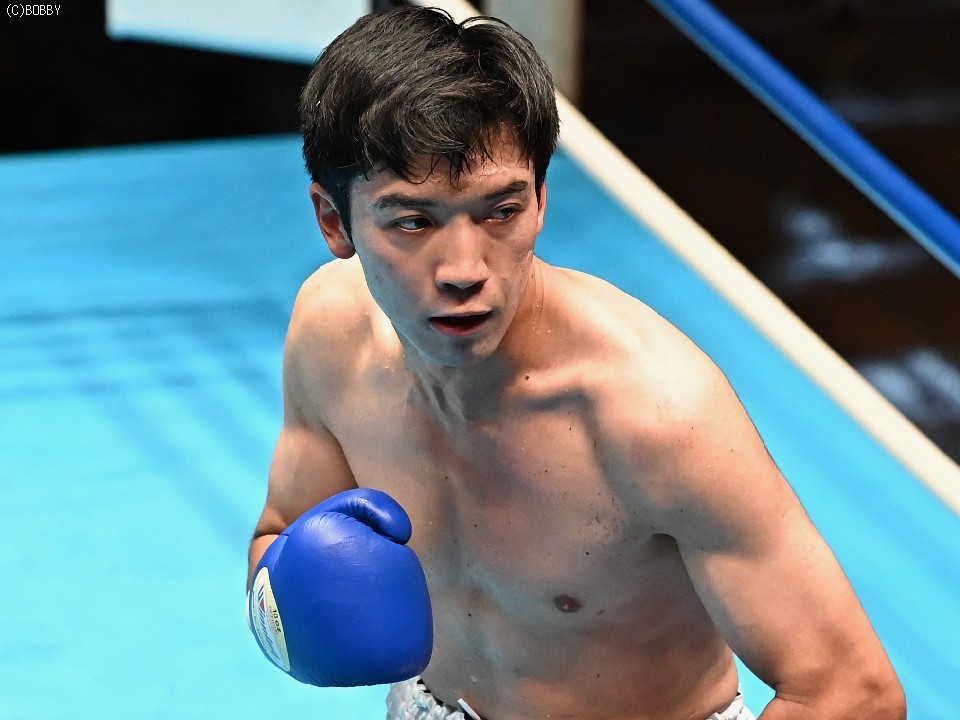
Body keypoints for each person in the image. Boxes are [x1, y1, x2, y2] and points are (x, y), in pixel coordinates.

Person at [246, 6, 906, 720]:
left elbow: (854, 693)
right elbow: (280, 531)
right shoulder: (331, 332)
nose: (465, 269)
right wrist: (285, 610)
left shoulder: (654, 414)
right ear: (334, 220)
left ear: (540, 198)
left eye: (500, 211)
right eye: (413, 221)